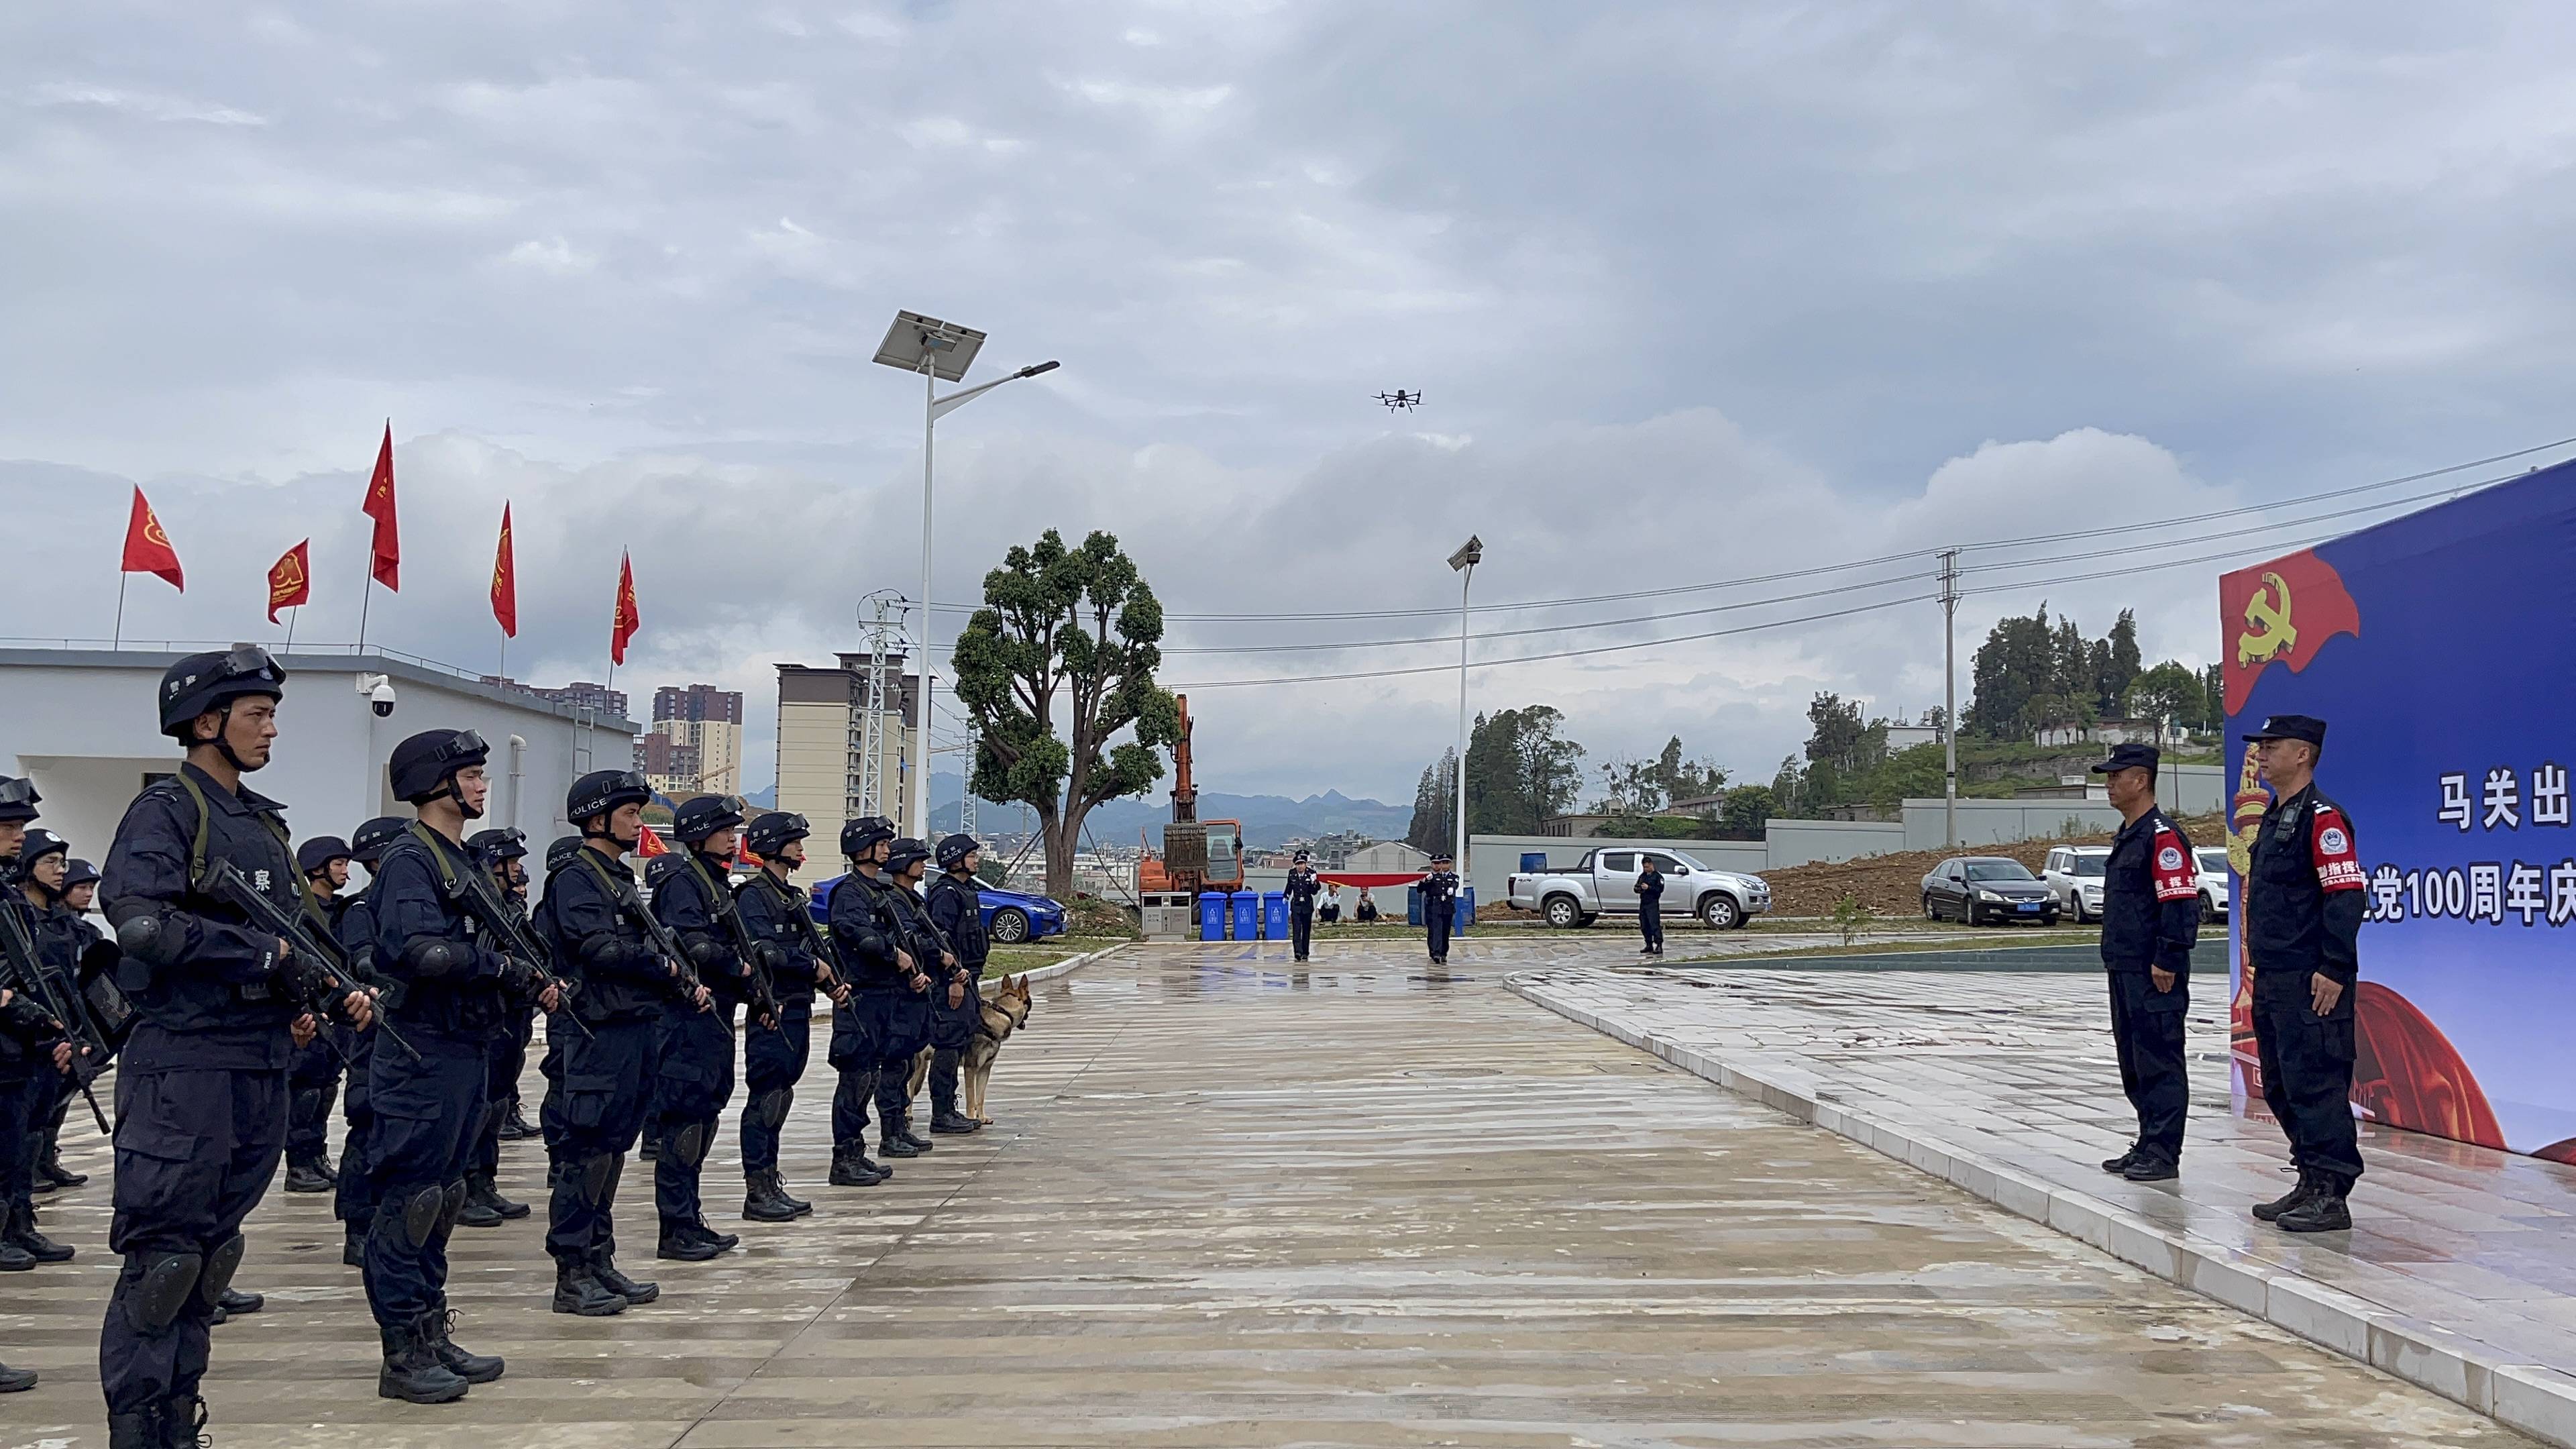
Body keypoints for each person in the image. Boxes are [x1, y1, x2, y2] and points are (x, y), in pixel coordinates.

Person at [97, 647, 372, 1446]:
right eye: (256, 715)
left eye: (272, 714)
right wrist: (262, 957)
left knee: (211, 1260)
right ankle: (140, 1430)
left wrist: (331, 990)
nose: (271, 730)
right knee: (166, 1262)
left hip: (257, 1061)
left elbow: (305, 938)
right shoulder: (168, 812)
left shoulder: (259, 823)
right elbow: (142, 924)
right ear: (205, 722)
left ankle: (180, 1420)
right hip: (184, 1064)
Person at [362, 729, 519, 1402]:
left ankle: (430, 1330)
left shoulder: (458, 859)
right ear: (438, 783)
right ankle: (401, 1351)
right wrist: (500, 967)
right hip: (420, 1051)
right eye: (473, 775)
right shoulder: (410, 859)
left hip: (462, 1048)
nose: (483, 787)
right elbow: (423, 951)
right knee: (412, 1202)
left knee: (445, 1197)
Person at [537, 769, 706, 1316]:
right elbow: (599, 949)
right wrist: (659, 964)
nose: (639, 823)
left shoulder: (615, 878)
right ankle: (572, 1271)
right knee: (585, 1153)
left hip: (632, 1029)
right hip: (596, 1034)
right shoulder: (576, 877)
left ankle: (598, 1257)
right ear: (596, 818)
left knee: (612, 1152)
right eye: (630, 814)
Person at [2241, 714, 2367, 1233]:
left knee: (2316, 1084)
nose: (2262, 755)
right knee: (2281, 1082)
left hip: (2311, 978)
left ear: (2303, 754)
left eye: (2272, 747)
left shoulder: (2323, 818)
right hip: (2274, 974)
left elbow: (2345, 895)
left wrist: (2334, 966)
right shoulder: (2277, 815)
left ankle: (2332, 1194)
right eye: (2261, 747)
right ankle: (2310, 1177)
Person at [643, 794, 763, 1260]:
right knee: (684, 1124)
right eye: (725, 832)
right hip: (686, 1021)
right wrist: (738, 967)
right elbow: (692, 945)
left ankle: (690, 1218)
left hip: (714, 1018)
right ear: (699, 836)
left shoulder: (714, 884)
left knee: (704, 1120)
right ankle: (675, 1227)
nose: (734, 840)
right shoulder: (683, 882)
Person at [2090, 743, 2200, 1183]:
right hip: (2125, 967)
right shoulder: (2130, 834)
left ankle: (2163, 1150)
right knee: (2134, 1059)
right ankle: (2147, 1140)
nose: (2110, 784)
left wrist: (2168, 956)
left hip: (2154, 970)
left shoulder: (2162, 837)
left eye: (2117, 776)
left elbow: (2179, 903)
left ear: (2141, 780)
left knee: (2160, 1058)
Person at [734, 811, 843, 1219]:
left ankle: (770, 1180)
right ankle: (757, 1189)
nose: (800, 848)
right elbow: (763, 952)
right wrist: (811, 967)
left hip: (796, 1007)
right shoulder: (753, 895)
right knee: (767, 1098)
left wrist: (827, 980)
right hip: (772, 1010)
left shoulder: (788, 895)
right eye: (793, 841)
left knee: (781, 1098)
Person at [1, 808, 79, 1277]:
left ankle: (17, 1223)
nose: (17, 837)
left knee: (21, 1139)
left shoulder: (9, 897)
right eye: (7, 829)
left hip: (20, 1047)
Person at [332, 816, 408, 1267]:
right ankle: (358, 1225)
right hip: (376, 1035)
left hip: (416, 1035)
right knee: (368, 1128)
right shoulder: (362, 910)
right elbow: (363, 963)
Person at [456, 828, 537, 1228]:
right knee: (481, 1104)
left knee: (499, 1101)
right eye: (512, 863)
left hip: (510, 1014)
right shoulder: (481, 909)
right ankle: (466, 1184)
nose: (519, 871)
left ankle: (484, 1180)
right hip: (484, 1015)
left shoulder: (507, 908)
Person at [826, 816, 912, 1183]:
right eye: (880, 843)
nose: (887, 849)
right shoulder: (850, 893)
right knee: (855, 1079)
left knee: (871, 1076)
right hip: (859, 997)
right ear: (863, 849)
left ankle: (857, 1152)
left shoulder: (877, 891)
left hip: (882, 995)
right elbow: (860, 935)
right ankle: (844, 1158)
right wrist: (894, 955)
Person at [282, 834, 354, 1193]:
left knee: (326, 1087)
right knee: (306, 1088)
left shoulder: (341, 911)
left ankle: (316, 1156)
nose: (346, 871)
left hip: (337, 1014)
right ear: (317, 868)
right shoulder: (300, 914)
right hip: (310, 1011)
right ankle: (298, 1162)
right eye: (339, 864)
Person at [877, 839, 950, 1154]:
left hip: (917, 990)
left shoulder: (910, 899)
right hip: (898, 993)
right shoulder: (893, 899)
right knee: (893, 1069)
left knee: (906, 1065)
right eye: (917, 860)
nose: (923, 865)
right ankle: (890, 1134)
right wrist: (936, 955)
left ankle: (899, 1129)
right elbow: (909, 941)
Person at [923, 834, 987, 1134]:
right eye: (972, 855)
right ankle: (942, 1112)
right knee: (948, 1045)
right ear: (955, 859)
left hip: (969, 977)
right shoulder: (946, 894)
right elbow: (941, 940)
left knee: (960, 1041)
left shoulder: (966, 891)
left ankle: (950, 1108)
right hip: (953, 981)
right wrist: (952, 980)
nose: (976, 860)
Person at [1421, 853, 1458, 965]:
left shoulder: (1454, 877)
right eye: (1443, 863)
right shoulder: (1435, 877)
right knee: (1437, 930)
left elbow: (1455, 884)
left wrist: (1452, 888)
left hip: (1447, 907)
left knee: (1445, 932)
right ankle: (1436, 953)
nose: (1445, 865)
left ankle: (1444, 953)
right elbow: (1422, 888)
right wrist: (1426, 881)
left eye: (1447, 863)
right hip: (1437, 908)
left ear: (1450, 864)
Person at [1284, 850, 1321, 963]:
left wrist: (1314, 883)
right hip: (1296, 905)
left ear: (1305, 864)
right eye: (1298, 864)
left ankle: (1305, 952)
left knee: (1306, 930)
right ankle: (1298, 952)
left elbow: (1315, 891)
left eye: (1302, 864)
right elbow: (1289, 886)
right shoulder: (1292, 874)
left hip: (1307, 905)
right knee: (1296, 930)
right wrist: (1285, 896)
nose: (1300, 866)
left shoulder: (1311, 873)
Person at [1634, 855, 1665, 957]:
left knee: (1654, 925)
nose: (1645, 869)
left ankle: (1659, 945)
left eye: (1647, 867)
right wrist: (1639, 888)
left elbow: (1659, 890)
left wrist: (1649, 888)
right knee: (1644, 925)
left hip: (1653, 903)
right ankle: (1649, 944)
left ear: (1651, 865)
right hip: (1644, 903)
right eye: (1644, 867)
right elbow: (1636, 887)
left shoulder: (1658, 877)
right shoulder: (1643, 876)